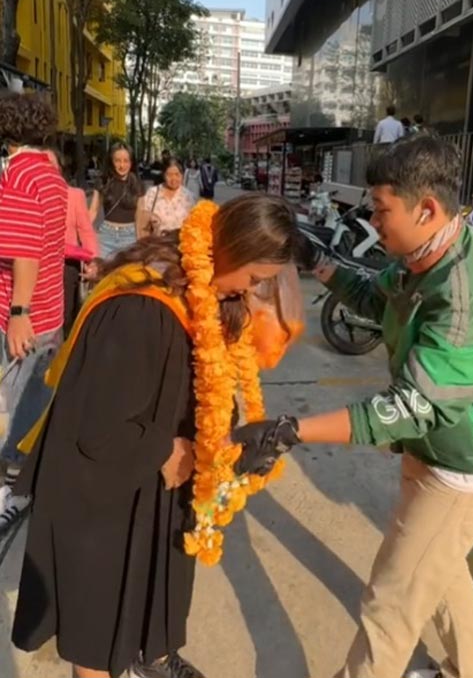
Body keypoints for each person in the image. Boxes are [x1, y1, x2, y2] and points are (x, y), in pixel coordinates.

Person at [233, 137, 473, 678]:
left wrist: (290, 430)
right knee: (439, 577)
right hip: (434, 453)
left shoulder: (467, 299)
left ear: (427, 209)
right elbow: (376, 299)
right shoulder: (424, 256)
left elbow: (411, 407)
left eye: (381, 209)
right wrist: (317, 260)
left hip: (462, 472)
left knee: (390, 605)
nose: (373, 220)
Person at [12, 193, 303, 678]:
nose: (249, 292)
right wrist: (166, 449)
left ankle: (151, 654)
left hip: (148, 488)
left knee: (135, 609)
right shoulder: (141, 306)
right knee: (98, 632)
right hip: (104, 496)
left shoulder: (201, 291)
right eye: (254, 279)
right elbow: (96, 425)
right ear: (229, 249)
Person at [0, 94, 67, 529]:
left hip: (25, 315)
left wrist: (18, 313)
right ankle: (22, 483)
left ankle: (13, 491)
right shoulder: (49, 172)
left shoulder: (20, 174)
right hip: (50, 311)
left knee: (13, 410)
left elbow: (25, 252)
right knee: (33, 405)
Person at [46, 150, 99, 333]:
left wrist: (93, 262)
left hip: (66, 266)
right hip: (37, 266)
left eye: (50, 164)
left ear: (60, 168)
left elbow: (86, 230)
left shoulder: (75, 195)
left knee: (66, 318)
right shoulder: (27, 195)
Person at [89, 142, 144, 258]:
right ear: (111, 162)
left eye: (126, 161)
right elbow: (93, 210)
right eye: (117, 161)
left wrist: (140, 240)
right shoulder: (102, 182)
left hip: (130, 236)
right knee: (102, 268)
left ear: (131, 162)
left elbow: (140, 215)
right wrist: (85, 232)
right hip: (106, 235)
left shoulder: (138, 184)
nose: (122, 165)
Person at [143, 158, 195, 235]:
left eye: (177, 174)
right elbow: (143, 217)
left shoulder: (189, 197)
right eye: (169, 175)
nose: (173, 179)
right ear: (164, 175)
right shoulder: (152, 193)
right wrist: (151, 218)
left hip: (182, 240)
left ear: (182, 175)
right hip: (158, 241)